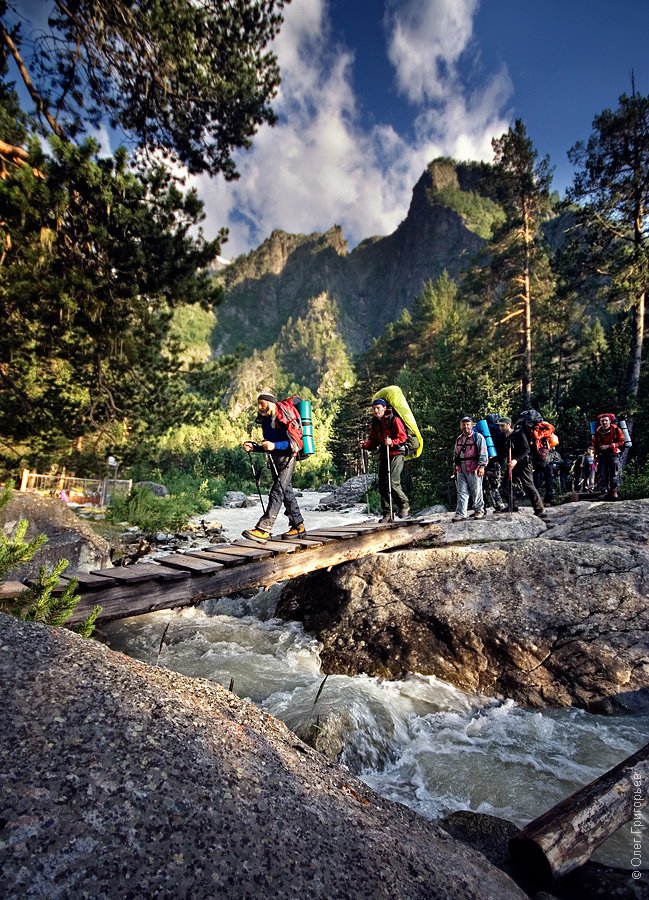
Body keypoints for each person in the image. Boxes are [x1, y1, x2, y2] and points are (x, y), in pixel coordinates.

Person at [241, 393, 305, 541]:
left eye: (262, 404)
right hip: (275, 460)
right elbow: (268, 445)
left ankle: (264, 529)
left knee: (277, 492)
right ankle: (298, 526)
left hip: (288, 458)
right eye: (258, 404)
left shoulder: (285, 416)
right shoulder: (266, 421)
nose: (259, 407)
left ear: (270, 403)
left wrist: (274, 445)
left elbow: (294, 444)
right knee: (286, 493)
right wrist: (255, 447)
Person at [360, 398, 410, 522]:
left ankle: (404, 505)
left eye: (378, 408)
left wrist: (392, 442)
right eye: (374, 408)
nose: (376, 410)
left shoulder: (394, 420)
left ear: (384, 408)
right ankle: (387, 513)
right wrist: (365, 445)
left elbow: (403, 437)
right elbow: (373, 441)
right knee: (382, 485)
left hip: (397, 453)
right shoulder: (376, 423)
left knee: (392, 482)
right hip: (384, 454)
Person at [496, 417, 546, 517]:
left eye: (502, 425)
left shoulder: (519, 434)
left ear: (509, 424)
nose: (500, 427)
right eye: (499, 425)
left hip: (524, 464)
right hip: (513, 464)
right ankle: (512, 505)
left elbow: (526, 450)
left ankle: (540, 509)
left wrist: (516, 460)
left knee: (528, 485)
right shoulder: (503, 437)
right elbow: (502, 452)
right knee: (505, 484)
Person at [452, 416, 488, 521]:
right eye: (463, 424)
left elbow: (483, 452)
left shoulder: (478, 437)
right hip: (461, 469)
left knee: (476, 491)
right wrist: (455, 467)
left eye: (467, 424)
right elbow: (455, 454)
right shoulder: (459, 439)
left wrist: (481, 466)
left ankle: (479, 511)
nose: (465, 426)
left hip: (474, 468)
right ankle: (461, 513)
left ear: (471, 425)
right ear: (460, 426)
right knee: (461, 491)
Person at [592, 413, 625, 500]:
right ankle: (604, 492)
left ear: (610, 421)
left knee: (614, 472)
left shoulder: (616, 429)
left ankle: (614, 492)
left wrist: (610, 446)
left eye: (606, 420)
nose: (604, 422)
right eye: (602, 421)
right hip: (602, 455)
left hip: (613, 454)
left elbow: (622, 441)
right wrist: (595, 456)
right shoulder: (597, 432)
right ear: (600, 422)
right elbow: (595, 445)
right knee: (602, 473)